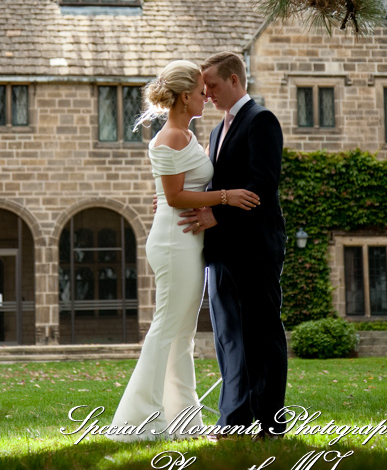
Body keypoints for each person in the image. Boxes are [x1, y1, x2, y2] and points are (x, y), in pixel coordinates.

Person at [109, 60, 260, 441]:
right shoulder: (171, 137)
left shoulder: (187, 136)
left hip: (186, 241)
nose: (205, 97)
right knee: (167, 329)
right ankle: (139, 419)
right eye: (199, 92)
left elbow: (171, 189)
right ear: (182, 97)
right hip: (175, 242)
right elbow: (175, 195)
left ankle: (184, 420)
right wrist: (225, 197)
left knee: (181, 335)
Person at [178, 51, 286, 439]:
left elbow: (263, 185)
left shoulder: (262, 121)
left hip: (255, 247)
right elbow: (213, 185)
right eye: (204, 88)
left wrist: (216, 215)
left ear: (235, 81)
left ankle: (271, 424)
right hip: (220, 250)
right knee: (228, 337)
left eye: (212, 86)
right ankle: (234, 419)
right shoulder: (216, 130)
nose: (206, 94)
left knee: (261, 333)